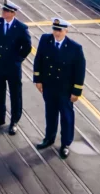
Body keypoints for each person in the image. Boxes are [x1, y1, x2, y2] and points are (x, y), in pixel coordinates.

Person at [32, 18, 86, 159]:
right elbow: (38, 59)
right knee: (50, 114)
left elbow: (80, 72)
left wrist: (76, 91)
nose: (56, 33)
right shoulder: (45, 40)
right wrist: (38, 80)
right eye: (55, 29)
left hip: (65, 90)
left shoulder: (75, 48)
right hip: (49, 87)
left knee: (66, 117)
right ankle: (49, 138)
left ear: (66, 31)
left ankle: (65, 144)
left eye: (59, 30)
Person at [0, 0, 32, 135]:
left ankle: (14, 121)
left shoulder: (21, 28)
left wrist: (18, 59)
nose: (3, 12)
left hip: (13, 66)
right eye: (3, 10)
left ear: (13, 13)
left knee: (15, 95)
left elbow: (27, 46)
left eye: (6, 11)